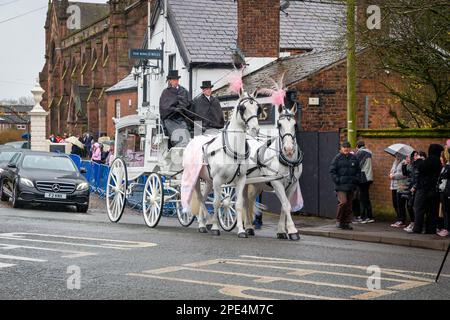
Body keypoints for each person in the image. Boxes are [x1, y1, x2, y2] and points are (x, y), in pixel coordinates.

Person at [329, 141, 361, 230]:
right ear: (341, 149)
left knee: (349, 205)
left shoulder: (354, 158)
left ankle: (346, 223)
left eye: (347, 147)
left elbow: (358, 171)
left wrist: (356, 180)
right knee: (343, 202)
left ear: (350, 148)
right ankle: (339, 220)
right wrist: (337, 180)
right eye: (344, 147)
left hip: (351, 185)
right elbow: (332, 171)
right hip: (341, 186)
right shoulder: (337, 158)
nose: (346, 149)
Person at [412, 144, 444, 234]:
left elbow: (421, 168)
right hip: (434, 189)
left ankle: (417, 228)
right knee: (432, 211)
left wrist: (418, 160)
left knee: (419, 208)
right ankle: (430, 229)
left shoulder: (430, 160)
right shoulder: (438, 161)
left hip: (423, 189)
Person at [159, 69, 191, 147]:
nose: (176, 81)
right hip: (170, 120)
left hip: (181, 119)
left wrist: (184, 107)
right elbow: (164, 107)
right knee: (177, 137)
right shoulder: (166, 92)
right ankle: (178, 148)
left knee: (185, 135)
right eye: (174, 80)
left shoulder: (183, 91)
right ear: (170, 81)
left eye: (177, 79)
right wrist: (174, 109)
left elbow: (189, 103)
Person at [354, 141, 374, 223]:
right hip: (369, 177)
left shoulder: (360, 153)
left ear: (357, 146)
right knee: (366, 197)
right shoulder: (369, 152)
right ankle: (370, 216)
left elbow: (357, 165)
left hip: (362, 177)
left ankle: (363, 217)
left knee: (361, 198)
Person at [398, 152, 416, 232]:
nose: (407, 158)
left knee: (410, 206)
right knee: (408, 206)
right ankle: (412, 222)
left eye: (408, 157)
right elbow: (405, 173)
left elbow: (411, 175)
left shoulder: (414, 165)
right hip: (407, 188)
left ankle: (414, 222)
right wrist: (404, 165)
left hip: (411, 188)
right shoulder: (408, 165)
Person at [389, 152, 406, 228]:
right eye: (395, 155)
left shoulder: (403, 163)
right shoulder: (395, 162)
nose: (396, 156)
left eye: (398, 155)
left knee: (400, 204)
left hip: (400, 186)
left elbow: (403, 174)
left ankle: (402, 220)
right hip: (393, 186)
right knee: (395, 203)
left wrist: (394, 176)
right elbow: (392, 171)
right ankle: (398, 219)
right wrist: (390, 174)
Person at [437, 147, 450, 237]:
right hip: (443, 190)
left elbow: (445, 175)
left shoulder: (448, 166)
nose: (441, 158)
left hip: (448, 191)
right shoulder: (445, 166)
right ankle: (445, 228)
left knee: (447, 211)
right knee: (445, 211)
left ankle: (447, 229)